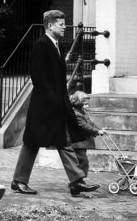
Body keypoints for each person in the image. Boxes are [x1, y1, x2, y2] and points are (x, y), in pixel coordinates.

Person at [11, 10, 100, 197]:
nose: (64, 27)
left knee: (63, 140)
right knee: (32, 142)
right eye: (61, 24)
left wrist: (62, 99)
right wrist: (53, 100)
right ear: (50, 25)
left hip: (57, 104)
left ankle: (77, 181)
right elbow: (38, 78)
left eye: (64, 24)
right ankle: (19, 181)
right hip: (44, 106)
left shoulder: (57, 45)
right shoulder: (41, 45)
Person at [68, 90, 106, 181]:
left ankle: (80, 178)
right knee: (83, 161)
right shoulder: (76, 115)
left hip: (82, 142)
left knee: (82, 161)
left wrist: (99, 129)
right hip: (77, 142)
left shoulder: (83, 112)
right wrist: (96, 132)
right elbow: (85, 126)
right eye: (85, 104)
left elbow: (91, 124)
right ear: (78, 104)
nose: (87, 106)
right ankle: (80, 179)